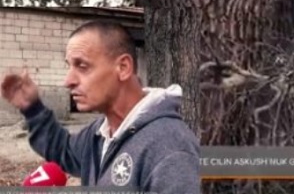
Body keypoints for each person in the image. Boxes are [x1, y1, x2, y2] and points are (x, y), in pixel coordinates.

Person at [0, 20, 200, 193]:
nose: (68, 80)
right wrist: (32, 108)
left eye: (82, 66)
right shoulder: (99, 133)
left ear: (123, 68)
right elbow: (63, 150)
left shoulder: (171, 149)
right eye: (68, 66)